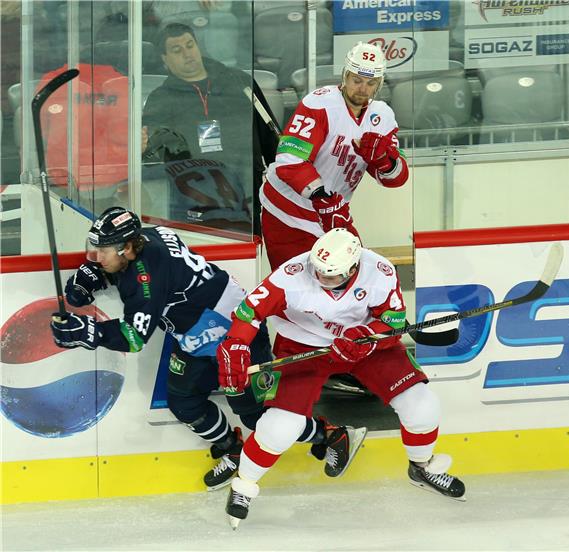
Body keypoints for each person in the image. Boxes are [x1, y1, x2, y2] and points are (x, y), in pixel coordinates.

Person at [49, 207, 365, 490]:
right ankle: (231, 448)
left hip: (234, 332)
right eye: (96, 248)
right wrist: (98, 275)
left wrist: (88, 330)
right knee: (183, 400)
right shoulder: (145, 239)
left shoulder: (146, 277)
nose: (97, 256)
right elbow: (128, 271)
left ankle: (332, 434)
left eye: (103, 250)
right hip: (195, 333)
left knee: (257, 415)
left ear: (128, 247)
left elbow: (134, 337)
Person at [216, 228, 465, 528]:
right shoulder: (291, 275)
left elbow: (394, 323)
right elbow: (248, 313)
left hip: (364, 342)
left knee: (422, 404)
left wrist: (369, 337)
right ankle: (244, 486)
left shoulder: (380, 271)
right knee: (280, 427)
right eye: (317, 272)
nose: (321, 280)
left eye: (330, 276)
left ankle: (422, 467)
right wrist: (236, 344)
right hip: (303, 343)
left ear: (354, 268)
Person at [259, 41, 409, 271]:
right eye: (356, 80)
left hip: (331, 215)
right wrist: (322, 198)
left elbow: (395, 179)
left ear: (379, 84)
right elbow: (289, 161)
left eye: (370, 83)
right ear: (345, 76)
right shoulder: (319, 104)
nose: (362, 89)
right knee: (297, 291)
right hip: (286, 211)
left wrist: (383, 160)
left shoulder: (382, 116)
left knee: (356, 279)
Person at [141, 23, 278, 234]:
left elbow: (271, 138)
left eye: (190, 45)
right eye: (177, 50)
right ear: (164, 59)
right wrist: (141, 149)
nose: (187, 54)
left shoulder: (240, 82)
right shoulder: (160, 100)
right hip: (190, 207)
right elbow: (152, 160)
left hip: (247, 202)